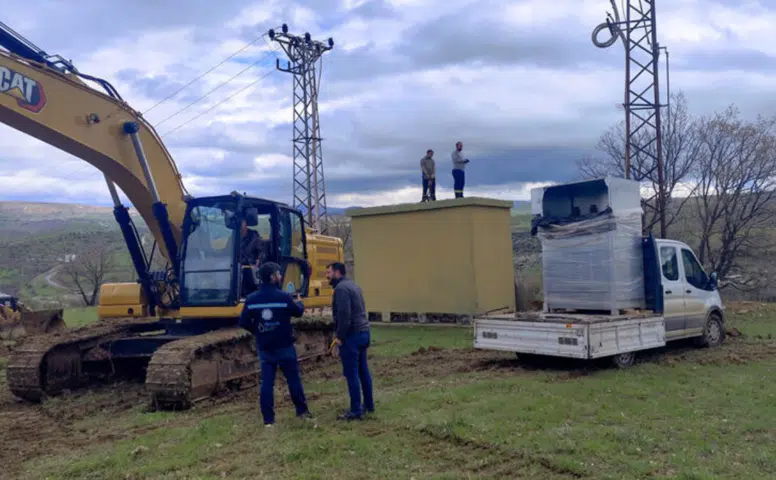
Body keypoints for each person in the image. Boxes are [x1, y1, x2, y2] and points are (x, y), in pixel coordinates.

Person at [238, 262, 313, 426]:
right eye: (278, 274)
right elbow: (298, 312)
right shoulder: (284, 297)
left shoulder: (251, 299)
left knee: (267, 383)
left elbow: (243, 322)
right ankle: (302, 412)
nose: (280, 276)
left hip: (265, 346)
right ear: (272, 277)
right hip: (284, 345)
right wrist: (300, 302)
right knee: (293, 379)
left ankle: (268, 420)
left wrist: (258, 331)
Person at [326, 262, 373, 420]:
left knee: (351, 374)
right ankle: (369, 405)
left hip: (352, 336)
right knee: (363, 371)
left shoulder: (341, 289)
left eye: (329, 272)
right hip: (364, 333)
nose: (327, 276)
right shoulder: (353, 285)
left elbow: (344, 314)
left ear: (337, 272)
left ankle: (355, 411)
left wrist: (339, 337)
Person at [240, 218, 264, 296]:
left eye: (242, 222)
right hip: (238, 264)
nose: (240, 224)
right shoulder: (234, 236)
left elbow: (260, 250)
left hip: (251, 264)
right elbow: (228, 250)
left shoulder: (254, 236)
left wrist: (258, 259)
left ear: (246, 223)